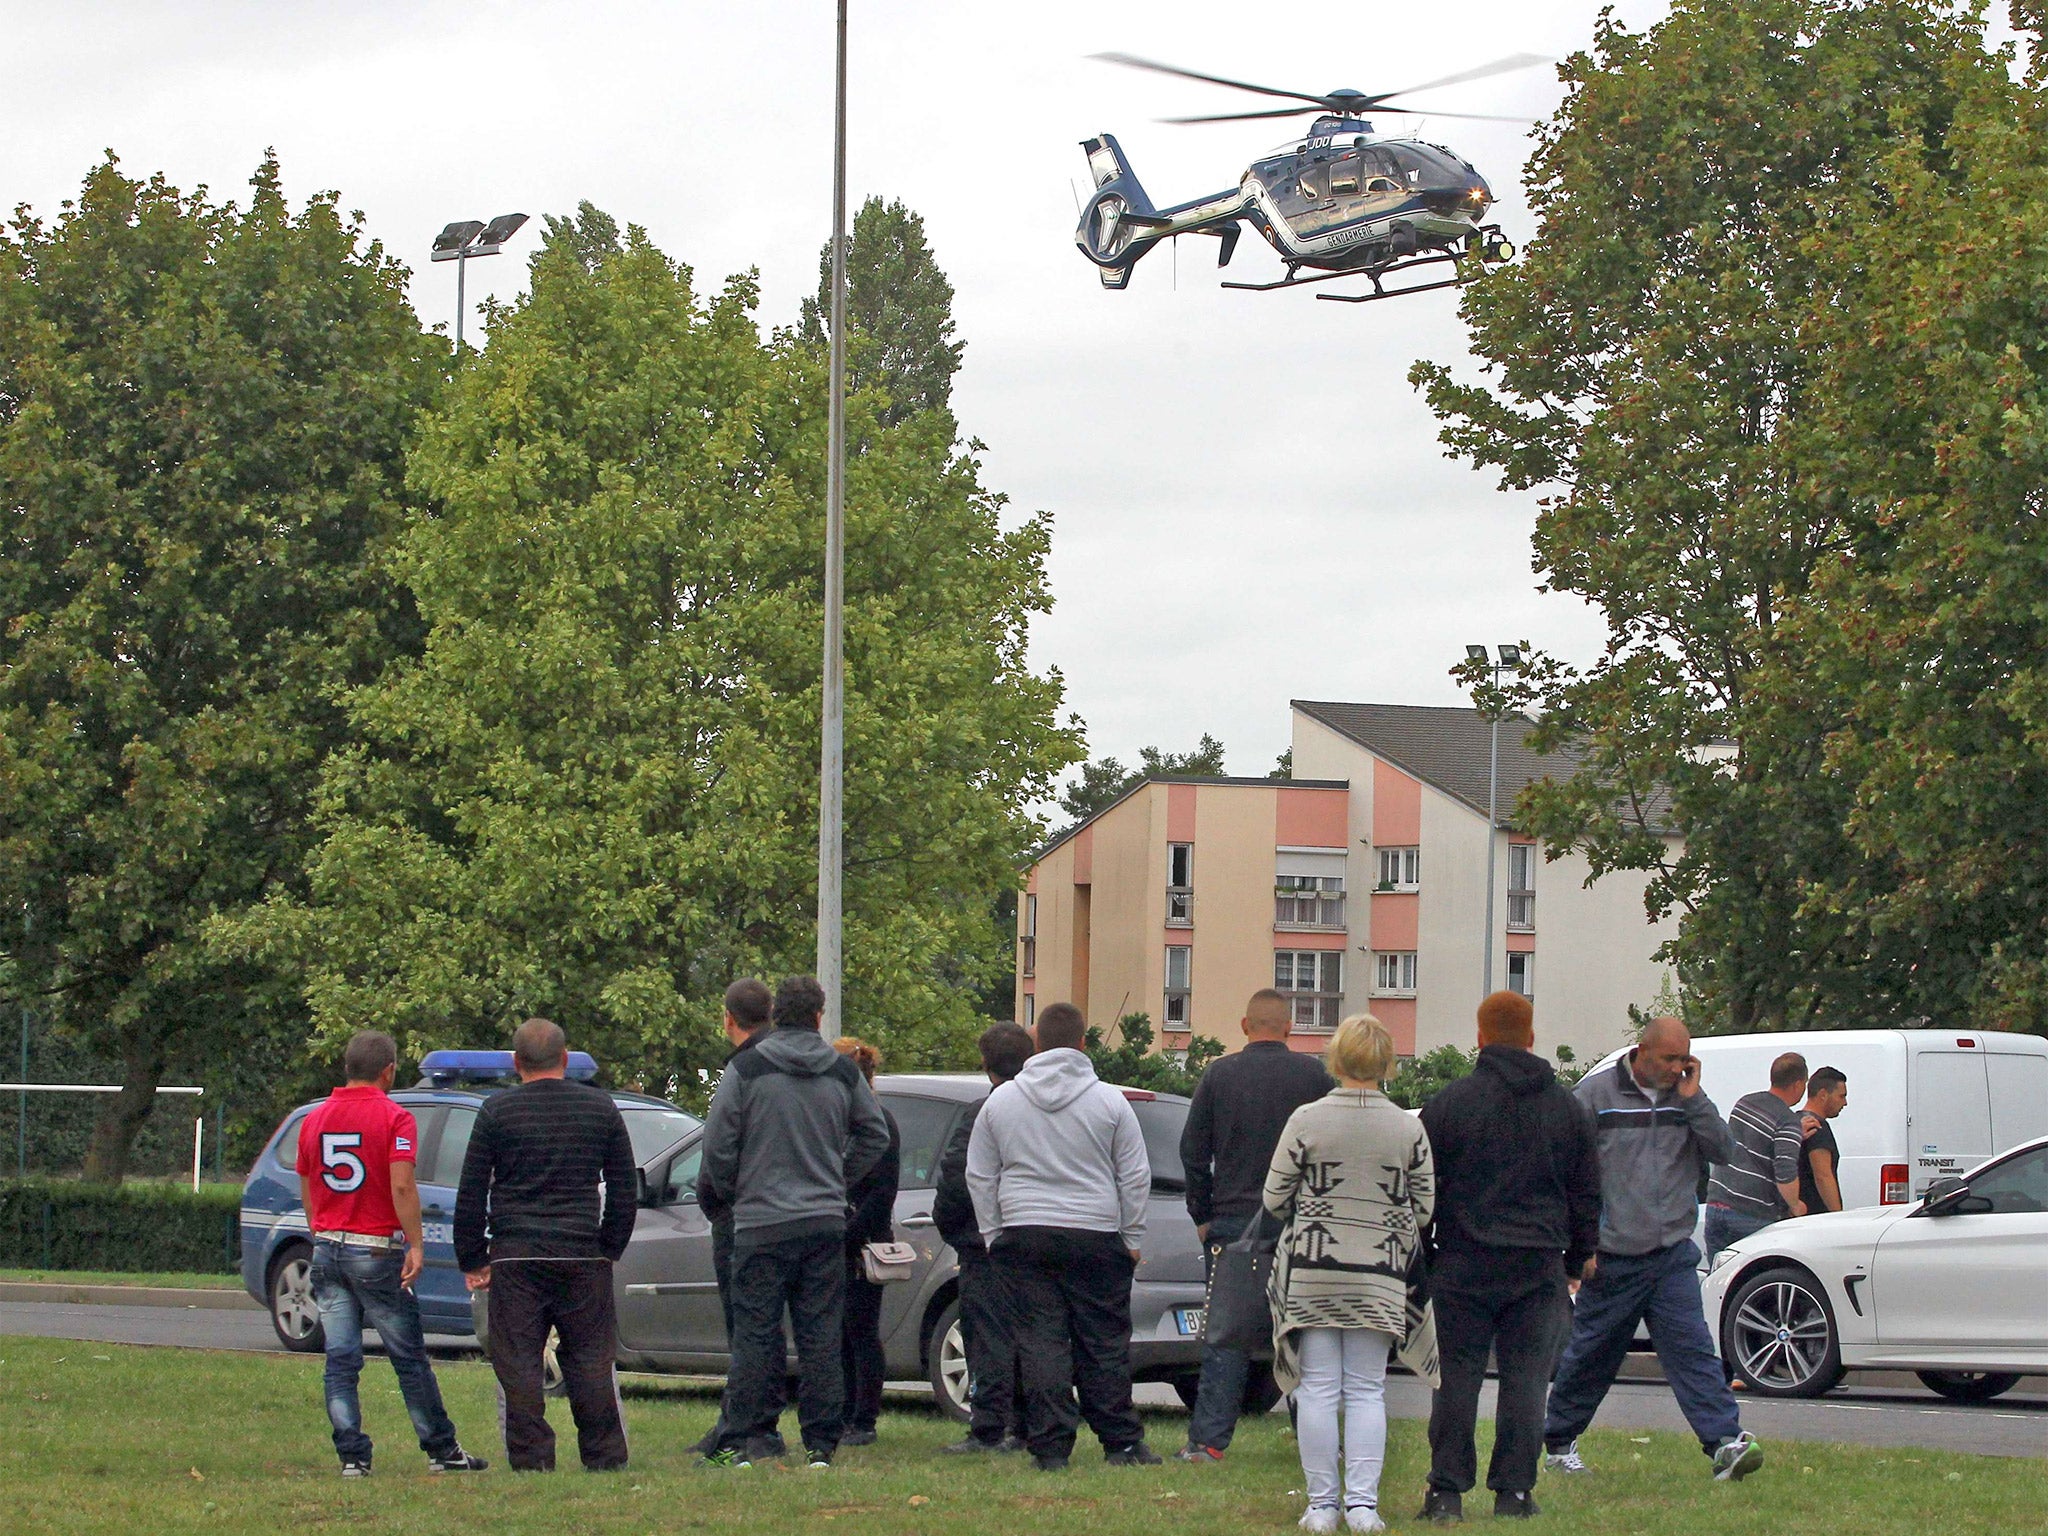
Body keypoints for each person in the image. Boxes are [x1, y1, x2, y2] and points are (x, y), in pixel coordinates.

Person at [1542, 1016, 1764, 1483]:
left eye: (1684, 1059)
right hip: (1612, 1256)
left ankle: (1725, 1442)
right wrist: (1579, 1247)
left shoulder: (1687, 1100)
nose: (1676, 1068)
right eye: (1668, 1059)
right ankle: (1559, 1442)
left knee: (1693, 1350)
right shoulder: (1595, 1098)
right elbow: (1566, 1173)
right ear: (1641, 1052)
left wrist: (1694, 1100)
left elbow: (1725, 1151)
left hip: (1670, 1256)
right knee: (1590, 1356)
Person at [1416, 991, 1598, 1522]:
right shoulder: (1567, 1108)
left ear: (1480, 1038)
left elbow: (1421, 1190)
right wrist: (1576, 1258)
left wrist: (1426, 1253)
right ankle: (1514, 1492)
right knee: (1526, 1381)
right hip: (1538, 1263)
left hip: (1462, 1260)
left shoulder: (1449, 1104)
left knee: (1455, 1379)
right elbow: (1587, 1192)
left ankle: (1446, 1492)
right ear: (1532, 1038)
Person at [699, 974, 891, 1469]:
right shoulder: (842, 1071)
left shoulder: (746, 1068)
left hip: (761, 1222)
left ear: (775, 1012)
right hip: (823, 1222)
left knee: (755, 1334)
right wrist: (837, 1180)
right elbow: (875, 1135)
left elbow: (717, 1147)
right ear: (819, 1016)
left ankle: (742, 1440)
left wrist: (736, 1194)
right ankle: (822, 1444)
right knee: (820, 1336)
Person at [967, 1001, 1160, 1471]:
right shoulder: (1110, 1101)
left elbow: (979, 1174)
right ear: (1083, 1043)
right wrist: (1130, 1236)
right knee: (1103, 1342)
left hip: (1024, 1232)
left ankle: (1050, 1447)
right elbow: (1134, 1175)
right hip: (1095, 1232)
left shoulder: (1002, 1101)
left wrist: (994, 1231)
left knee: (1039, 1342)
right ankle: (1122, 1442)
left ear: (1036, 1044)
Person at [1264, 1014, 1434, 1536]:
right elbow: (1424, 1209)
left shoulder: (1306, 1120)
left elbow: (1273, 1199)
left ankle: (1321, 1507)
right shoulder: (1409, 1127)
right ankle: (1363, 1507)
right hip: (1380, 1274)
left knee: (1315, 1389)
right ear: (1387, 1063)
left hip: (1314, 1274)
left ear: (1336, 1058)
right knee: (1366, 1390)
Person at [297, 1029, 486, 1478]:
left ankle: (353, 1456)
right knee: (407, 1357)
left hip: (328, 1244)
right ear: (389, 1070)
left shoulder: (315, 1119)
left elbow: (308, 1183)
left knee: (341, 1358)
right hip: (374, 1248)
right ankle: (442, 1450)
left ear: (347, 1068)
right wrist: (415, 1242)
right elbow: (402, 1183)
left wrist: (321, 1228)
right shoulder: (395, 1118)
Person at [455, 1017, 638, 1473]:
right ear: (567, 1058)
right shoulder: (601, 1109)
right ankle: (604, 1456)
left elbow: (472, 1190)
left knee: (517, 1361)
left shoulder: (496, 1112)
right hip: (581, 1252)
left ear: (516, 1063)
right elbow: (623, 1188)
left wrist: (474, 1256)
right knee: (591, 1359)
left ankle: (532, 1458)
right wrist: (609, 1245)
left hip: (517, 1255)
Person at [1176, 986, 1335, 1464]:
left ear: (1246, 1027)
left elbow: (1192, 1152)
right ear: (1289, 1029)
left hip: (1233, 1224)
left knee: (1226, 1338)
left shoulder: (1219, 1075)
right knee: (1307, 1337)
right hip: (1303, 1226)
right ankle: (1319, 1441)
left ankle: (1208, 1442)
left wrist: (1202, 1216)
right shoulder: (1317, 1076)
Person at [932, 1021, 1034, 1454]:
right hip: (1035, 1237)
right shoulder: (1041, 1109)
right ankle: (1032, 1424)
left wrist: (954, 1228)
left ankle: (989, 1425)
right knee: (1034, 1334)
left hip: (985, 1243)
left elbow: (958, 1176)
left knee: (988, 1336)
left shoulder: (984, 1111)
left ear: (987, 1065)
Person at [692, 978, 782, 1463]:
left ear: (728, 1019)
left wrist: (719, 1199)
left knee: (747, 1327)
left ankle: (746, 1424)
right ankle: (754, 1419)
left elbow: (719, 1149)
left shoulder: (743, 1070)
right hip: (798, 1210)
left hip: (747, 1215)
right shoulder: (800, 1062)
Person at [833, 1035, 901, 1446]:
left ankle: (864, 1417)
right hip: (844, 1235)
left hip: (864, 1240)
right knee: (839, 1331)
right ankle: (843, 1411)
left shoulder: (878, 1122)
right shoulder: (845, 1119)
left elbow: (883, 1192)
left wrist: (848, 1232)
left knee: (860, 1330)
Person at [1703, 1052, 1809, 1263]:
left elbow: (1747, 1144)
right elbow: (1785, 1171)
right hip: (1750, 1213)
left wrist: (1794, 1137)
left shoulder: (1745, 1103)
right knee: (1755, 1279)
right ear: (1798, 1084)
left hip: (1717, 1204)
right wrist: (1796, 1205)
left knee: (1718, 1280)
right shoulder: (1787, 1120)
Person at [1798, 1067, 1850, 1214]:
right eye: (1841, 1096)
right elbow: (1823, 1175)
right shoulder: (1817, 1127)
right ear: (1823, 1095)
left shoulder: (1794, 1123)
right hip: (1815, 1216)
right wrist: (1837, 1215)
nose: (1845, 1103)